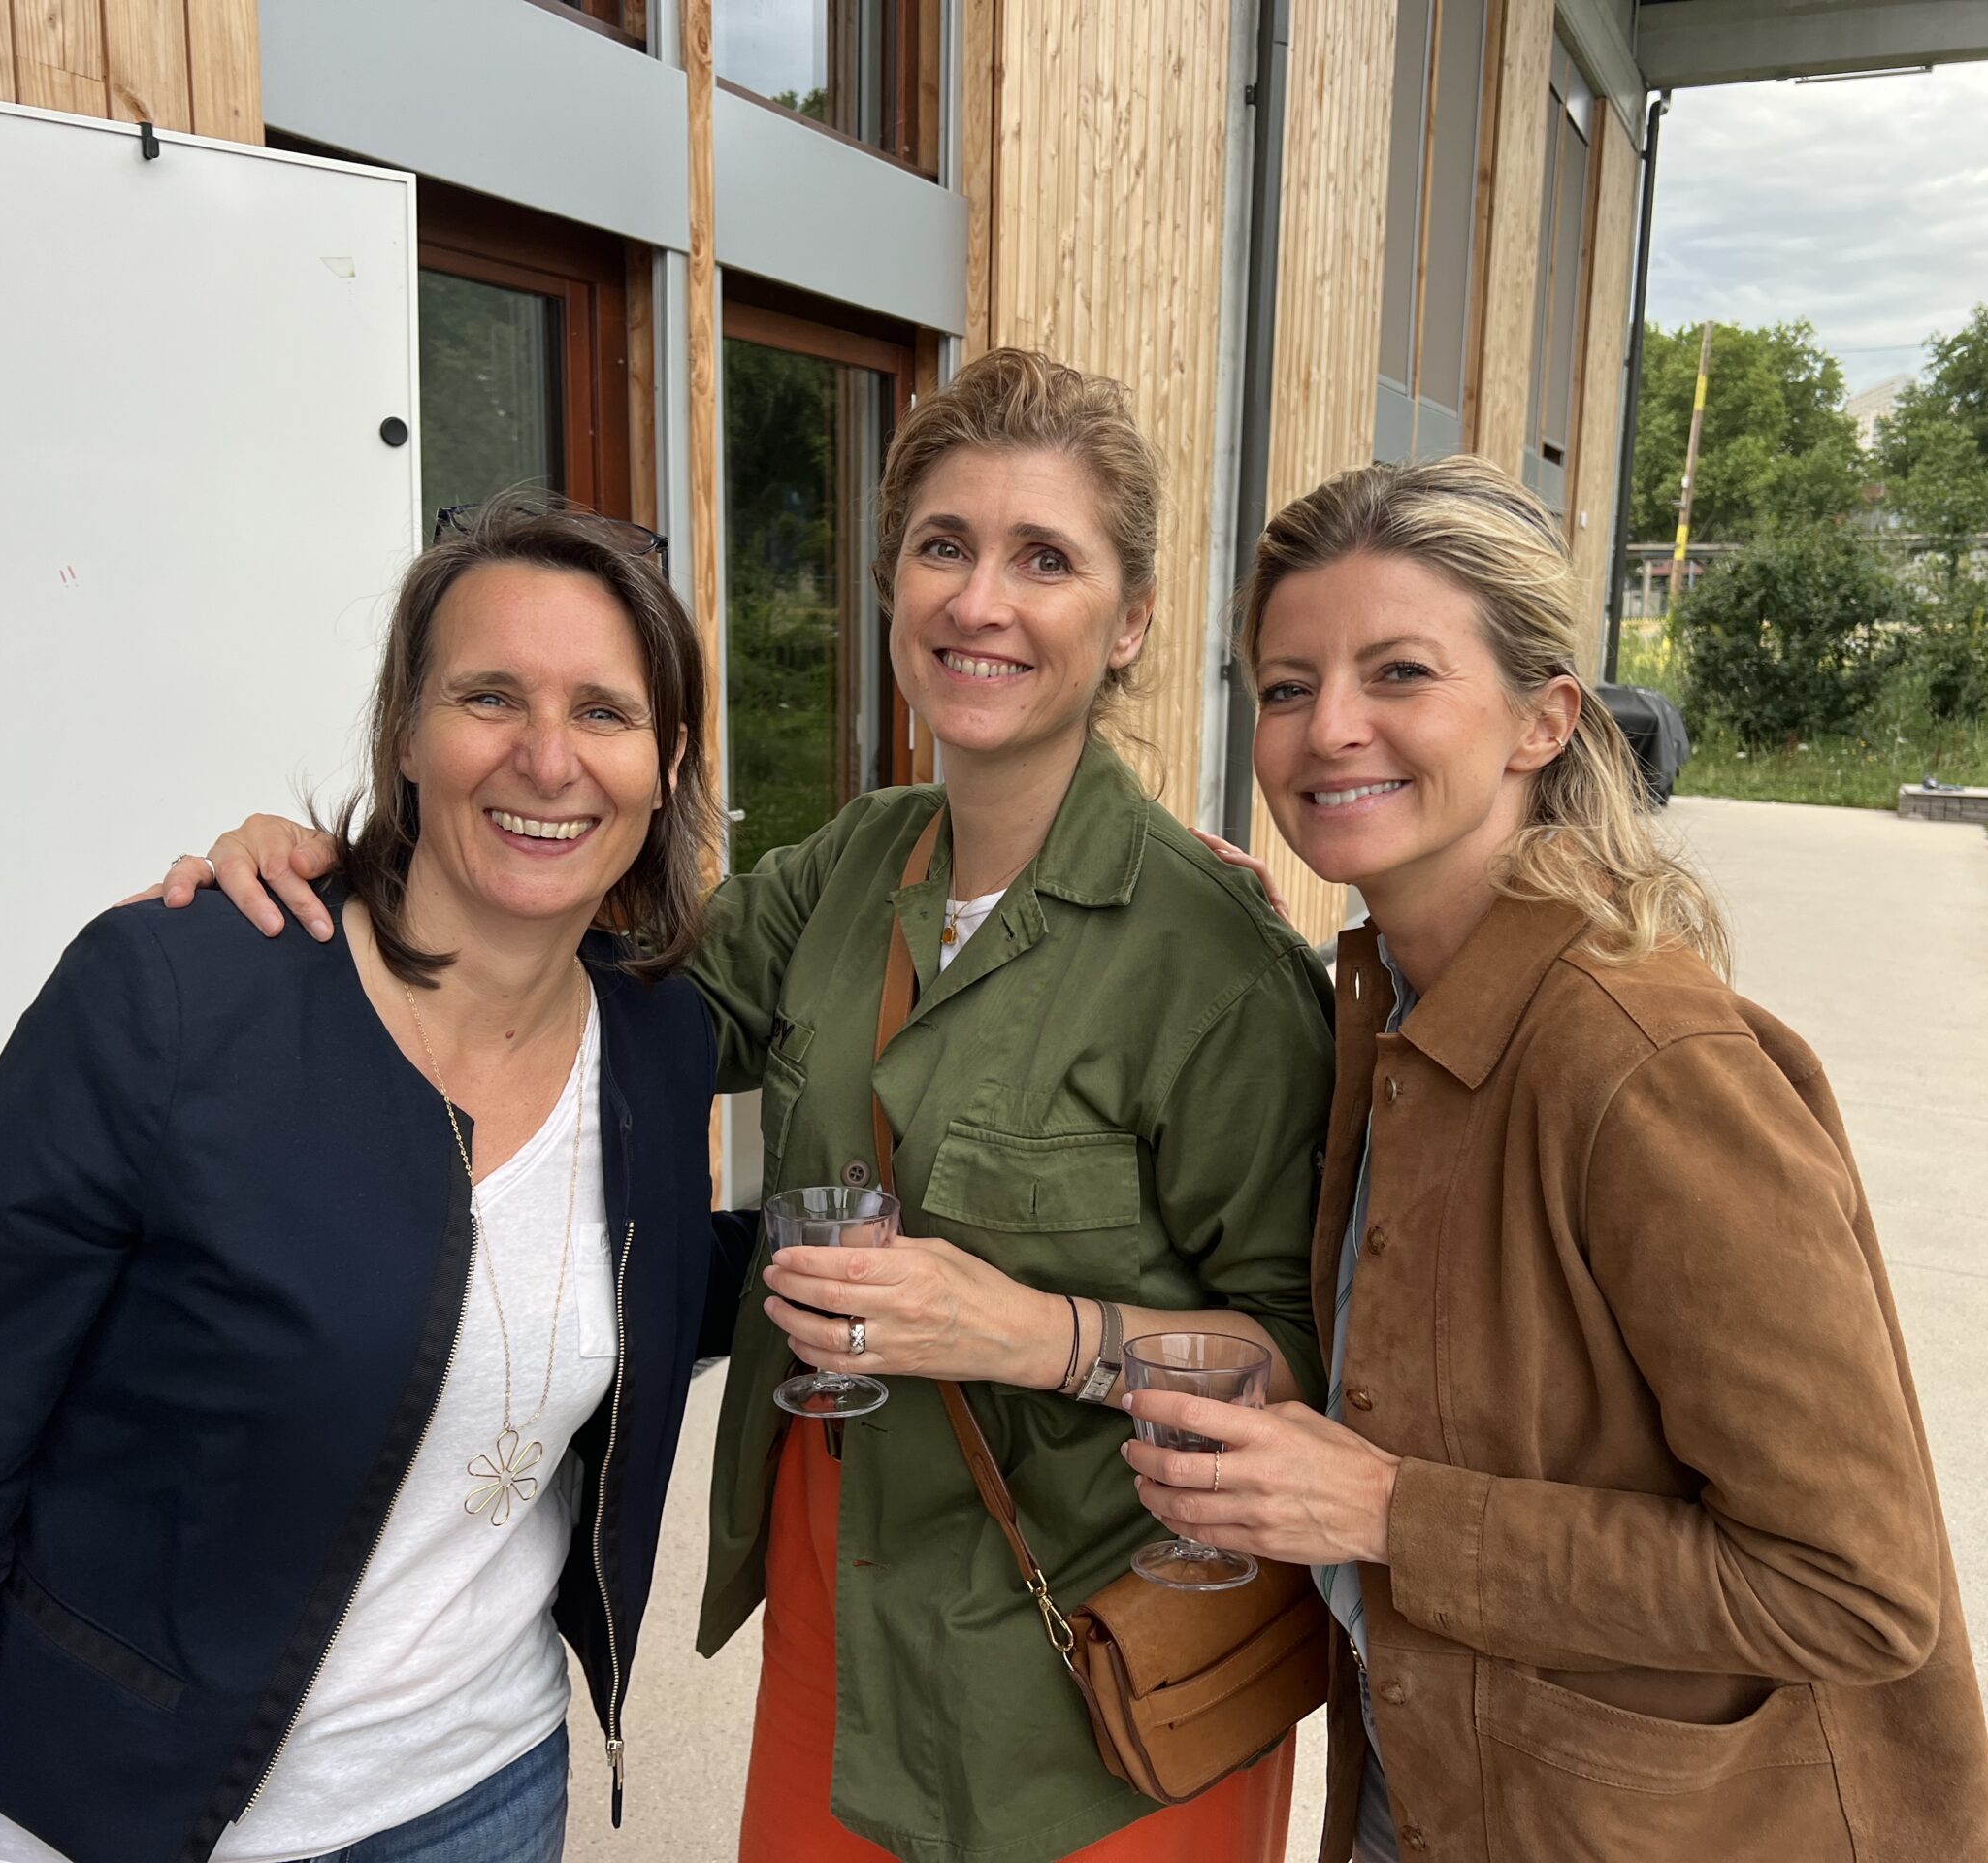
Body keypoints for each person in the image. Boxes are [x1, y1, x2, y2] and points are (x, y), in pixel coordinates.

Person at [160, 348, 1333, 1863]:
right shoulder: (856, 866)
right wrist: (353, 886)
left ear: (1132, 621)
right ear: (891, 585)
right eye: (944, 546)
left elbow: (1297, 1361)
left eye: (1045, 558)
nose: (981, 600)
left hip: (1089, 1672)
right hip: (847, 1605)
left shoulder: (1214, 962)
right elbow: (596, 1009)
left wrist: (1027, 1331)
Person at [0, 492, 745, 1863]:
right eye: (490, 696)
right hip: (114, 1816)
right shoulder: (175, 999)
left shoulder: (658, 1043)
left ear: (665, 767)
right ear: (406, 735)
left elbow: (652, 1274)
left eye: (603, 713)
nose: (548, 759)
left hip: (484, 1795)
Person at [1122, 456, 1988, 1863]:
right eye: (1286, 687)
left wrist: (1388, 1510)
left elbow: (1854, 1588)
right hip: (1434, 1785)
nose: (1330, 727)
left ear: (1543, 720)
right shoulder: (1396, 1007)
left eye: (1400, 672)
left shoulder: (1647, 1065)